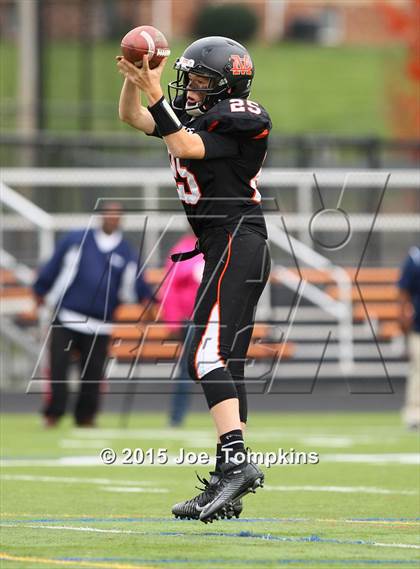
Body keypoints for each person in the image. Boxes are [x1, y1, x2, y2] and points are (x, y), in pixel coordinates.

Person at [117, 36, 272, 523]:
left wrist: (155, 92)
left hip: (236, 240)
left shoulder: (241, 121)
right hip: (227, 246)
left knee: (205, 356)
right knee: (229, 363)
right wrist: (135, 80)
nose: (190, 87)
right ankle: (230, 478)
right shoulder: (194, 116)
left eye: (202, 80)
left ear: (228, 86)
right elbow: (133, 117)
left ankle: (236, 466)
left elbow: (183, 143)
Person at [33, 202, 154, 428]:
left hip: (101, 324)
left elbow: (138, 285)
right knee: (58, 367)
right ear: (100, 216)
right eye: (108, 213)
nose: (111, 218)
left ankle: (85, 416)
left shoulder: (126, 252)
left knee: (92, 373)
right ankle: (54, 413)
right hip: (67, 316)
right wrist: (40, 289)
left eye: (116, 215)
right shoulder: (76, 240)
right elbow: (54, 265)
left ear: (121, 219)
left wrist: (147, 302)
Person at [159, 233, 205, 426]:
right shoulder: (183, 250)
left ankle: (235, 417)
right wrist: (172, 321)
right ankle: (176, 417)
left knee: (226, 370)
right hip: (191, 320)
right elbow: (169, 288)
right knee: (187, 371)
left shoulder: (222, 246)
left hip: (217, 319)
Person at [398, 245, 420, 430]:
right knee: (418, 370)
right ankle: (414, 413)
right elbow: (403, 290)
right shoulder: (415, 258)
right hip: (419, 326)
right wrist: (403, 315)